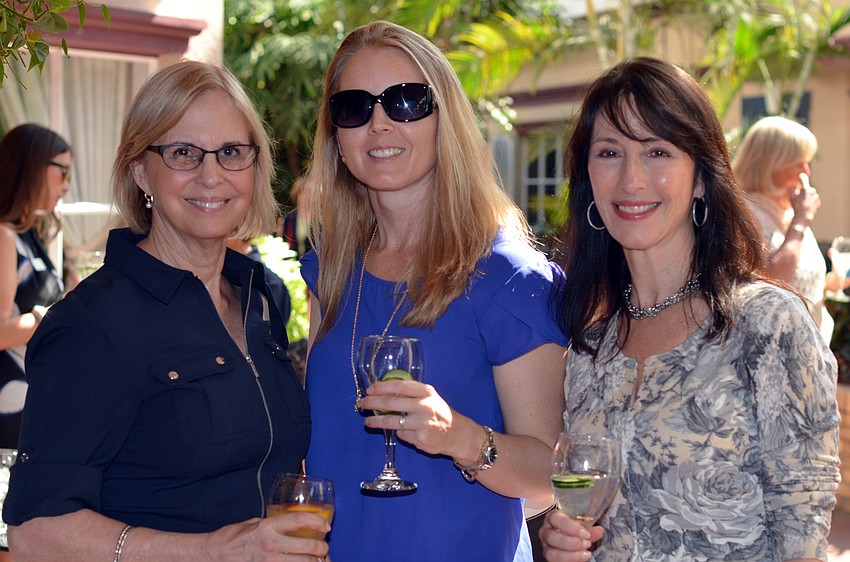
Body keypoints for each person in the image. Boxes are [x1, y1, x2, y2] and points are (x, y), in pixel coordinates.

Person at [3, 61, 328, 561]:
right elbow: (34, 533)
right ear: (140, 169)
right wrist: (213, 551)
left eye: (231, 152)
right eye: (183, 153)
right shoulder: (91, 325)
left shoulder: (259, 298)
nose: (211, 175)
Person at [540, 57, 840, 561]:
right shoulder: (590, 353)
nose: (631, 179)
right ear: (588, 178)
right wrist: (563, 539)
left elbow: (803, 535)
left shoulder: (766, 325)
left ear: (701, 177)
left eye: (657, 151)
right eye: (610, 152)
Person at [301, 20, 567, 562]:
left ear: (445, 117)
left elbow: (551, 479)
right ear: (336, 137)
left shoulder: (508, 278)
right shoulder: (328, 272)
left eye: (405, 101)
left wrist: (460, 438)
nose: (379, 123)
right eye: (354, 107)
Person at [733, 115, 834, 344]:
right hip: (776, 353)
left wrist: (830, 283)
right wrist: (801, 220)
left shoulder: (788, 212)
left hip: (811, 350)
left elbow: (801, 284)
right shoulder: (745, 213)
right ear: (772, 163)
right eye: (799, 163)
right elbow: (774, 282)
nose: (806, 172)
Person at [0, 124, 69, 449]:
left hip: (37, 395)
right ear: (33, 167)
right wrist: (56, 313)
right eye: (63, 172)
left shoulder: (27, 234)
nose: (67, 186)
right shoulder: (4, 236)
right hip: (11, 400)